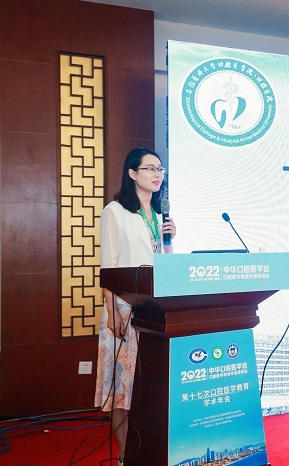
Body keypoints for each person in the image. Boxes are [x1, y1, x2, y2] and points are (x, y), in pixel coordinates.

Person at [94, 147, 176, 465]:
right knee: (121, 390)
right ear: (132, 173)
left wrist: (169, 241)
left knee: (146, 387)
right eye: (150, 168)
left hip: (153, 313)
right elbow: (108, 267)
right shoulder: (115, 212)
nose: (158, 174)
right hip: (123, 309)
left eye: (160, 169)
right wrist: (112, 312)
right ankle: (124, 456)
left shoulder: (158, 215)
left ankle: (148, 453)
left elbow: (164, 267)